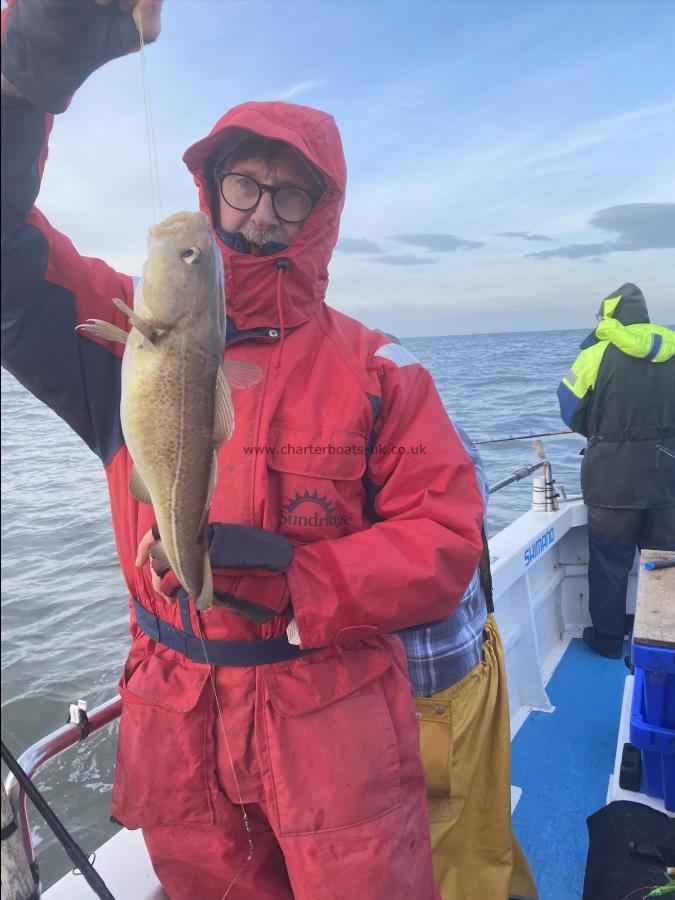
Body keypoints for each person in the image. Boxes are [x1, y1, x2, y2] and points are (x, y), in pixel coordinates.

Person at [1, 2, 486, 898]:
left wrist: (304, 577)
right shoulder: (118, 330)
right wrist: (26, 74)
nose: (261, 211)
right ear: (210, 190)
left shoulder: (380, 371)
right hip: (178, 727)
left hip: (336, 740)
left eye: (288, 191)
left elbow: (448, 536)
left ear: (319, 211)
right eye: (244, 185)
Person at [405, 424, 538, 900]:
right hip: (461, 666)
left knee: (442, 834)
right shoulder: (437, 426)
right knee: (474, 815)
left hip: (418, 692)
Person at [557, 283, 675, 659]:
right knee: (667, 563)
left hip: (611, 481)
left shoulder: (596, 353)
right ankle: (665, 640)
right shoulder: (671, 346)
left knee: (609, 563)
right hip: (668, 479)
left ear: (608, 315)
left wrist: (604, 433)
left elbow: (569, 409)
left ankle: (608, 641)